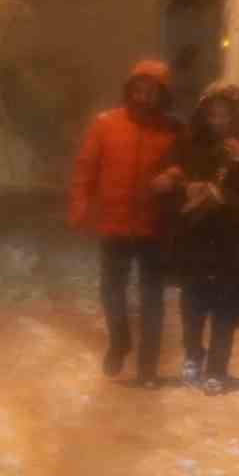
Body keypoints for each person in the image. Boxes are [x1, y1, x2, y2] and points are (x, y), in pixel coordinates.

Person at [69, 60, 181, 386]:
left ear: (163, 95)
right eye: (138, 89)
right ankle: (119, 341)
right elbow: (85, 169)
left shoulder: (173, 130)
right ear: (129, 90)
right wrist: (80, 207)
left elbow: (187, 162)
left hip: (154, 226)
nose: (143, 97)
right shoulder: (105, 124)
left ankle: (148, 368)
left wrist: (174, 175)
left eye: (151, 91)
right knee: (111, 290)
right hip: (113, 224)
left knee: (152, 298)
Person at [156, 84, 239, 394]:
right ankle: (193, 355)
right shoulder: (188, 143)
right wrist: (187, 188)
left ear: (235, 115)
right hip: (195, 231)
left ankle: (217, 368)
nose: (217, 120)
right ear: (202, 114)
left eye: (224, 114)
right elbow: (173, 176)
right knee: (192, 298)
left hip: (232, 234)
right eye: (212, 114)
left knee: (226, 302)